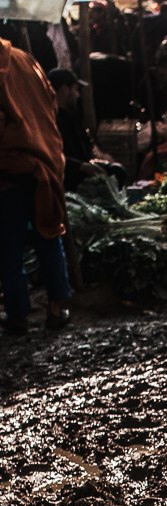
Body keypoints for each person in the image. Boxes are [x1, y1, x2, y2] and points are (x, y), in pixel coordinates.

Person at [0, 36, 71, 334]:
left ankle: (18, 315)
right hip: (43, 159)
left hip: (9, 169)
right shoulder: (25, 60)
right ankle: (59, 305)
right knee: (48, 235)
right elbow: (49, 105)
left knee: (8, 248)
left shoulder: (9, 63)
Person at [48, 67, 125, 190]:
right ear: (64, 90)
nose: (78, 95)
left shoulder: (72, 117)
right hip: (67, 173)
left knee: (117, 171)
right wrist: (81, 166)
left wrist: (100, 158)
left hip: (85, 167)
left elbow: (87, 145)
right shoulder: (50, 119)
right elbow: (52, 155)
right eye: (75, 90)